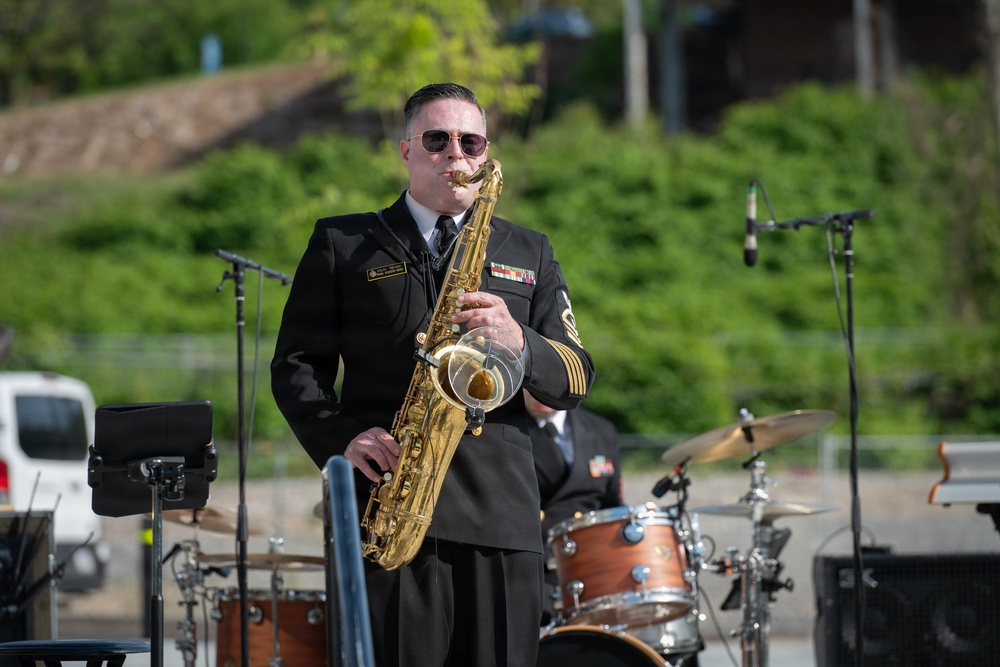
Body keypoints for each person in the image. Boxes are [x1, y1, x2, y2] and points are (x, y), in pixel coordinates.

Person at [270, 82, 595, 667]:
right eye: (438, 139)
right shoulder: (343, 243)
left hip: (500, 516)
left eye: (471, 143)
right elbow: (296, 366)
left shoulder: (530, 249)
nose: (456, 155)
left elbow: (575, 377)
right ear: (406, 149)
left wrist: (521, 341)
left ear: (486, 153)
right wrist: (341, 439)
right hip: (388, 510)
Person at [525, 389, 624, 625]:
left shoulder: (600, 430)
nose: (539, 393)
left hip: (591, 564)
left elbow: (612, 504)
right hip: (534, 565)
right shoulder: (501, 429)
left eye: (546, 385)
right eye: (530, 384)